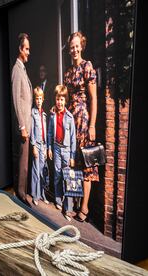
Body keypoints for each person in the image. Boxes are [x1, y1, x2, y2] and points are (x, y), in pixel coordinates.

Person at [63, 32, 98, 223]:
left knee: (86, 164)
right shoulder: (68, 72)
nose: (74, 49)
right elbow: (66, 97)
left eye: (77, 46)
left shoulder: (87, 66)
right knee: (73, 161)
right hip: (71, 121)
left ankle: (84, 206)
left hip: (84, 121)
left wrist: (92, 124)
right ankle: (74, 203)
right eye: (72, 47)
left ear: (81, 46)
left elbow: (93, 98)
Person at [47, 85, 76, 221]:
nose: (59, 102)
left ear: (65, 101)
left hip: (67, 150)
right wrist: (49, 148)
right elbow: (50, 133)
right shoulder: (53, 115)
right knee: (57, 175)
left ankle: (68, 208)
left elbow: (73, 139)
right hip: (57, 148)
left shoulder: (70, 117)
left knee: (68, 178)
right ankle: (58, 200)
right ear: (55, 99)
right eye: (58, 99)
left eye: (62, 100)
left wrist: (72, 156)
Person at [12, 33, 32, 205]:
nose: (28, 52)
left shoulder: (23, 69)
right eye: (26, 49)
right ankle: (21, 194)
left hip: (27, 124)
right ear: (20, 49)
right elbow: (17, 100)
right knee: (23, 162)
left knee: (24, 161)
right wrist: (22, 126)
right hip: (23, 126)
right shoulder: (17, 70)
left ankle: (22, 191)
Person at [30, 87, 49, 206]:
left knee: (42, 171)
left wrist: (46, 148)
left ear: (43, 99)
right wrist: (33, 146)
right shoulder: (33, 113)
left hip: (43, 145)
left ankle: (42, 194)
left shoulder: (44, 114)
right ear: (34, 100)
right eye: (37, 98)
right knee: (36, 171)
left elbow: (45, 133)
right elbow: (32, 130)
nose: (39, 101)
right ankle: (35, 195)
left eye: (40, 98)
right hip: (36, 145)